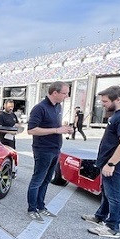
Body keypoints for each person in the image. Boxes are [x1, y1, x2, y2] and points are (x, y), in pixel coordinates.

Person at [82, 86, 120, 238]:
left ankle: (113, 227)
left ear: (118, 99)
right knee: (107, 193)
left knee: (114, 195)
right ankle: (100, 217)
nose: (102, 104)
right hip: (108, 162)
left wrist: (111, 163)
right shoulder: (119, 114)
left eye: (105, 101)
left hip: (114, 164)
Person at [26, 81, 73, 222]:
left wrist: (63, 128)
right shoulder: (39, 108)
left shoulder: (58, 106)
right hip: (43, 150)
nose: (67, 96)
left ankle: (41, 206)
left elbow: (54, 126)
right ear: (55, 93)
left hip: (55, 148)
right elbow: (31, 130)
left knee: (47, 180)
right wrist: (56, 130)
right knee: (38, 180)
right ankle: (32, 209)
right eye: (65, 93)